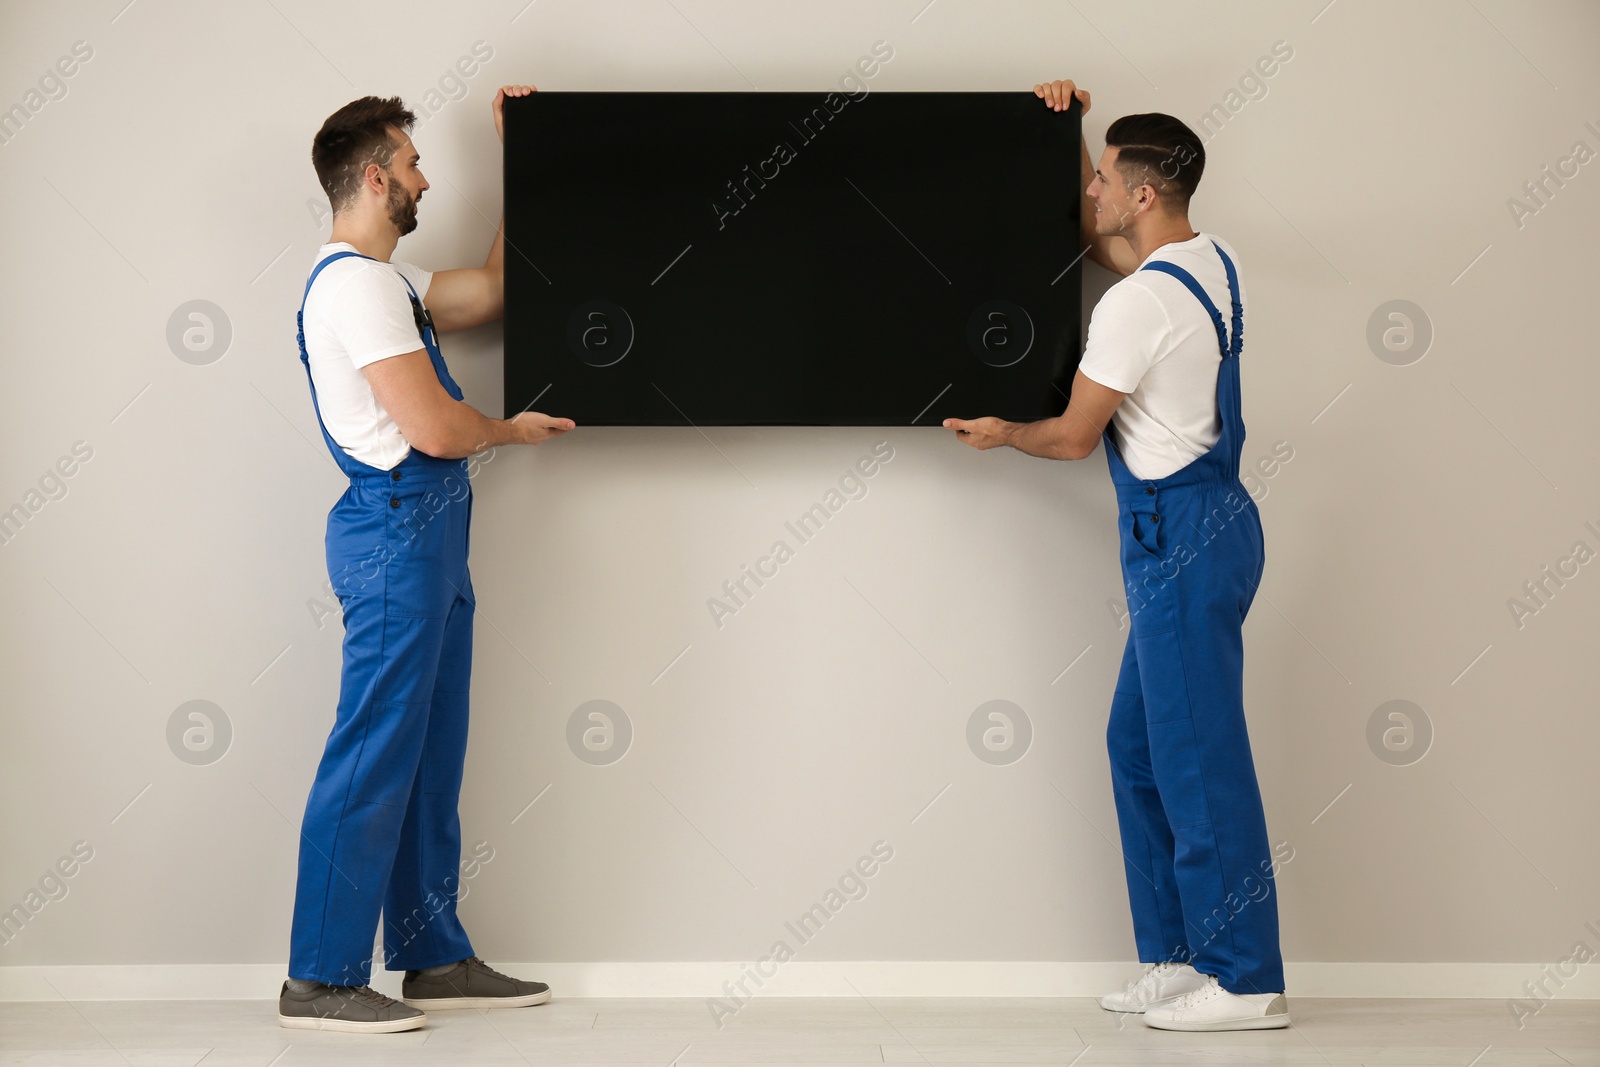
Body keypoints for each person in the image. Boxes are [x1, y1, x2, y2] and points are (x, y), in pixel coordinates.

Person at [943, 79, 1289, 1032]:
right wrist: (1075, 131)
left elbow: (1071, 437)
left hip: (1179, 537)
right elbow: (1107, 242)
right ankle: (1179, 960)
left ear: (1141, 194)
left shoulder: (1134, 307)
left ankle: (1246, 976)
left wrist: (1005, 432)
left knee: (1198, 757)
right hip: (1216, 521)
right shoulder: (1214, 261)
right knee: (1140, 746)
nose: (1088, 192)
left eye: (1100, 178)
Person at [281, 85, 575, 1034]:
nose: (424, 176)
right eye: (411, 163)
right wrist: (511, 431)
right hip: (395, 524)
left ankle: (433, 955)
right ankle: (319, 978)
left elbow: (491, 289)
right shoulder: (355, 286)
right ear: (375, 176)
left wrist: (522, 151)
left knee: (426, 756)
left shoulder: (391, 286)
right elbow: (438, 428)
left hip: (429, 536)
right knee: (372, 754)